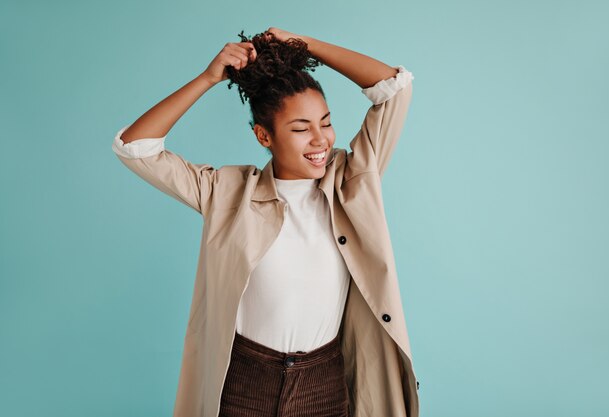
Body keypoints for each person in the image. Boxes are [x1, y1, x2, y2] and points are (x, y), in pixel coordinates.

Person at [112, 27, 418, 417]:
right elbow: (136, 149)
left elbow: (394, 87)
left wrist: (304, 47)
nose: (321, 140)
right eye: (300, 129)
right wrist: (208, 78)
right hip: (244, 383)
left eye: (325, 122)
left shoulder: (352, 178)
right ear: (263, 136)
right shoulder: (226, 193)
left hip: (322, 382)